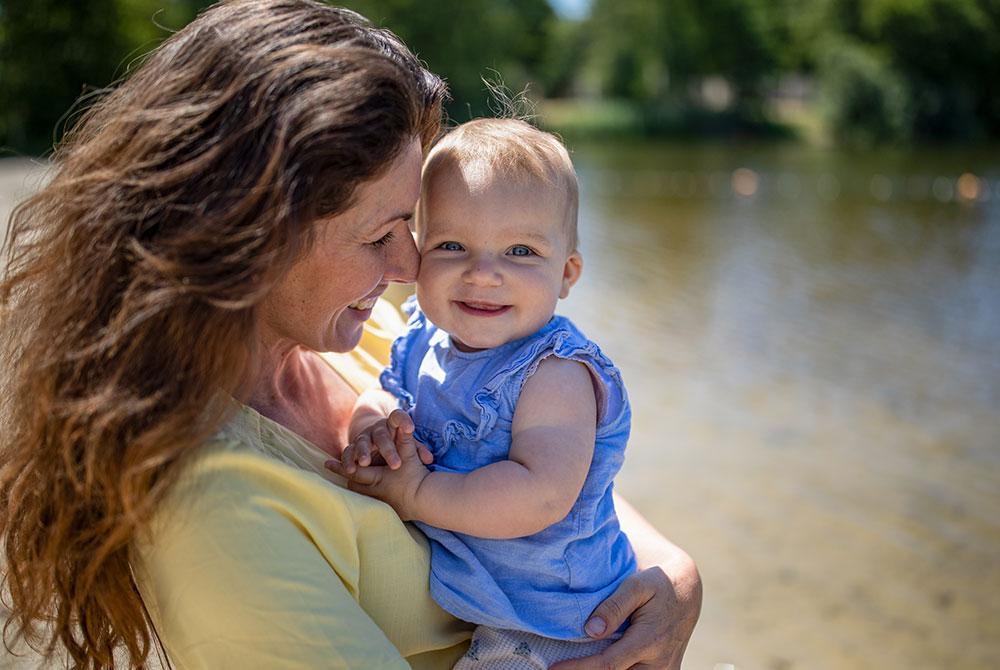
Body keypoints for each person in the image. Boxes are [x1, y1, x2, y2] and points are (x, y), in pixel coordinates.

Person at [0, 1, 702, 669]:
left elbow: (558, 478)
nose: (408, 268)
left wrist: (674, 576)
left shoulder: (368, 336)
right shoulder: (217, 511)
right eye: (379, 236)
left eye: (412, 227)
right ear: (247, 234)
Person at [329, 118, 639, 668]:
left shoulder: (554, 374)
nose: (483, 273)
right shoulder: (421, 340)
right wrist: (373, 426)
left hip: (559, 623)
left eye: (520, 251)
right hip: (493, 607)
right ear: (418, 251)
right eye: (452, 245)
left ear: (566, 274)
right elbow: (388, 396)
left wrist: (418, 494)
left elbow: (540, 493)